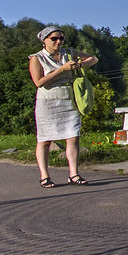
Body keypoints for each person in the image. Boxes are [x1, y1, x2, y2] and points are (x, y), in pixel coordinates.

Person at [29, 25, 98, 188]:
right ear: (45, 40)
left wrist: (81, 65)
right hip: (48, 102)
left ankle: (74, 174)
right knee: (45, 140)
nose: (58, 41)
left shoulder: (69, 53)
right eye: (54, 39)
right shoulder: (37, 58)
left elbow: (94, 59)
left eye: (61, 38)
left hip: (68, 99)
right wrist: (62, 69)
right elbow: (39, 82)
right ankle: (44, 176)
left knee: (73, 136)